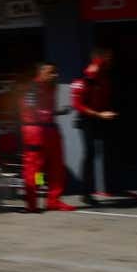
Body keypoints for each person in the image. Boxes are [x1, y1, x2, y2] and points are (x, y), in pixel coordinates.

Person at [21, 63, 74, 212]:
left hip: (50, 129)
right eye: (51, 72)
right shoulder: (31, 88)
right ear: (41, 72)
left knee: (56, 167)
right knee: (36, 168)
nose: (55, 75)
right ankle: (32, 203)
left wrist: (56, 112)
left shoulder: (51, 87)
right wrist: (52, 113)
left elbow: (43, 110)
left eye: (55, 72)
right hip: (36, 131)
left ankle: (53, 201)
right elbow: (29, 109)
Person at [73, 48, 120, 205]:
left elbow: (104, 98)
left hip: (101, 117)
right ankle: (85, 192)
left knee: (104, 150)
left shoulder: (104, 79)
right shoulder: (87, 78)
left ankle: (109, 186)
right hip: (88, 119)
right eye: (107, 58)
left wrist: (106, 113)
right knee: (90, 153)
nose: (110, 61)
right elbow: (78, 105)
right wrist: (100, 115)